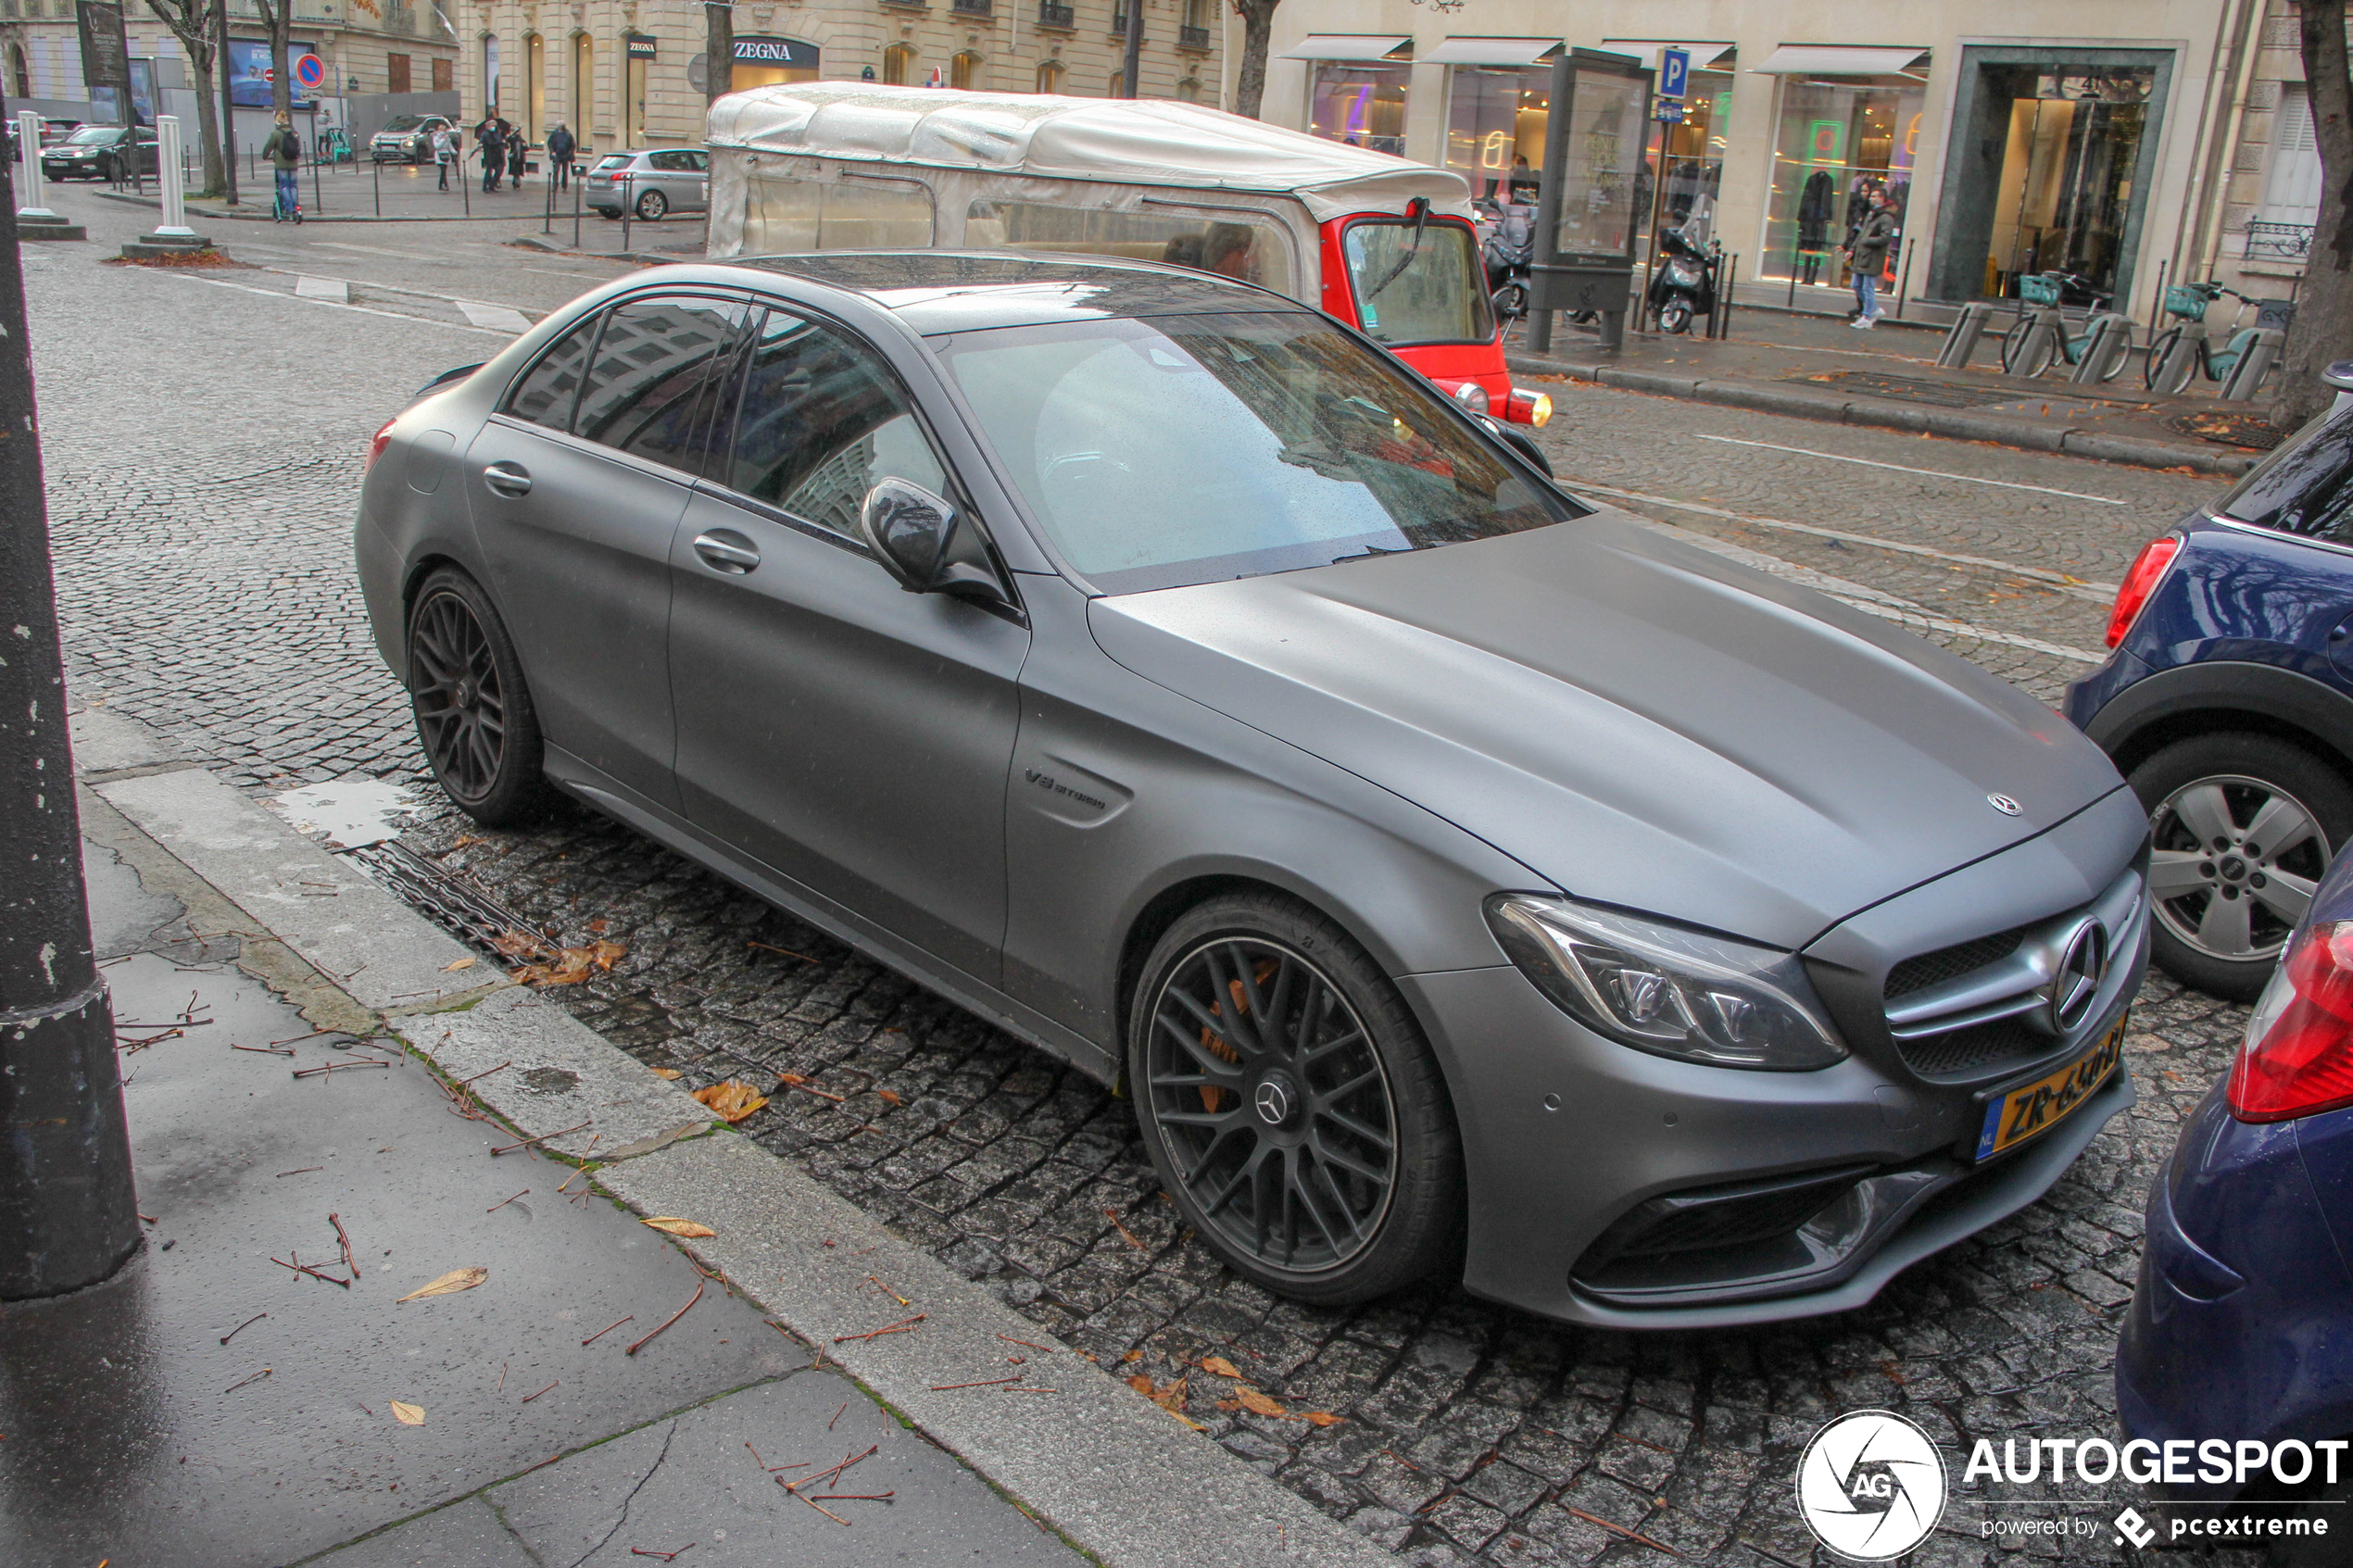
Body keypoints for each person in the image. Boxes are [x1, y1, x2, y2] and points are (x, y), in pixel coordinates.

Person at [1845, 189, 1896, 328]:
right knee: (1856, 284)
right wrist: (1852, 249)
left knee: (1868, 287)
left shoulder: (1886, 217)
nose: (1871, 199)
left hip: (1873, 257)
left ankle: (1867, 316)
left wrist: (1867, 241)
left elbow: (1885, 238)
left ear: (1882, 198)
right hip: (1863, 255)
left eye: (1874, 196)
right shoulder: (1871, 214)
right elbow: (1861, 234)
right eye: (1871, 196)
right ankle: (1874, 310)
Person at [263, 111, 301, 220]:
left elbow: (268, 146)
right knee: (293, 186)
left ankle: (289, 208)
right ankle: (296, 208)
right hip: (293, 163)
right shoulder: (294, 133)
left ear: (278, 123)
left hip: (281, 164)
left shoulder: (276, 134)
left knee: (284, 186)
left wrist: (265, 156)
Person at [546, 121, 574, 190]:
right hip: (557, 155)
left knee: (565, 171)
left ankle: (564, 186)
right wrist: (552, 152)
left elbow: (572, 145)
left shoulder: (568, 134)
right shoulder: (554, 134)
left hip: (565, 155)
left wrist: (569, 153)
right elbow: (550, 143)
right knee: (556, 171)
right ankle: (555, 186)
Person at [478, 119, 503, 193]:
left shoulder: (498, 133)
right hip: (490, 154)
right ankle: (485, 187)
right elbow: (490, 143)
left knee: (499, 170)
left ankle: (492, 185)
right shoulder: (485, 134)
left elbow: (500, 141)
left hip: (498, 155)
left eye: (495, 125)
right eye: (493, 125)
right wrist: (500, 142)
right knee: (489, 171)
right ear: (488, 126)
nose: (494, 127)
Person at [432, 121, 455, 191]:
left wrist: (454, 152)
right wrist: (443, 140)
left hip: (446, 155)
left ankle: (441, 185)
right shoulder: (436, 137)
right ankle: (445, 185)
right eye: (441, 130)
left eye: (444, 130)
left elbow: (450, 147)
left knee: (444, 170)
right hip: (439, 155)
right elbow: (437, 146)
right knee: (443, 170)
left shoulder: (447, 138)